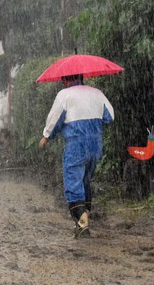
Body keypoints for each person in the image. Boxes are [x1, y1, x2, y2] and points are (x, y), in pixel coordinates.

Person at [39, 74, 114, 238]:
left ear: (65, 80)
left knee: (73, 182)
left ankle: (82, 225)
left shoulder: (64, 95)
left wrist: (46, 136)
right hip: (95, 145)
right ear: (81, 77)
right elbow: (110, 117)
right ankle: (86, 213)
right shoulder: (97, 93)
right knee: (86, 180)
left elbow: (55, 119)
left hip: (76, 145)